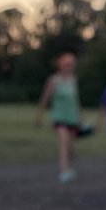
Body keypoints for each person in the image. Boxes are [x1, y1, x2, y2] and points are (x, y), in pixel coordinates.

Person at [35, 50, 80, 183]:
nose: (69, 66)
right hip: (59, 117)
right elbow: (45, 99)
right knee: (63, 141)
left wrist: (79, 115)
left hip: (72, 118)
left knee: (70, 146)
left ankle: (67, 165)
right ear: (61, 65)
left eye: (71, 64)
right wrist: (39, 116)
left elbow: (76, 100)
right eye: (67, 64)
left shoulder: (73, 80)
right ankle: (64, 171)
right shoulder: (53, 80)